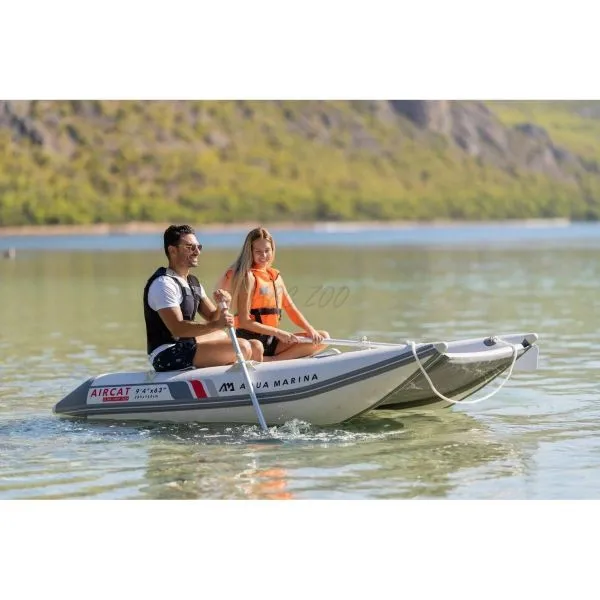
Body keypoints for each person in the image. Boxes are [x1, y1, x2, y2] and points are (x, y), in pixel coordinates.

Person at [143, 224, 263, 372]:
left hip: (184, 345)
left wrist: (222, 304)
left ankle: (247, 380)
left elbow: (213, 317)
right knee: (243, 347)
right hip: (165, 354)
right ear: (172, 250)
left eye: (198, 247)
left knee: (255, 346)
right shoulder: (163, 284)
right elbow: (178, 329)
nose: (197, 252)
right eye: (190, 247)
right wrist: (216, 324)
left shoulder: (193, 282)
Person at [214, 226, 329, 362]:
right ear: (250, 252)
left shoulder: (275, 277)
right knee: (258, 347)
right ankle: (271, 360)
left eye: (267, 250)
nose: (263, 255)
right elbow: (244, 321)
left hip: (272, 340)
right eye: (258, 251)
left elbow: (291, 309)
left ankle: (274, 359)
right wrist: (279, 332)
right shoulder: (247, 277)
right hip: (251, 342)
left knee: (323, 337)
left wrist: (310, 330)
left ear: (272, 250)